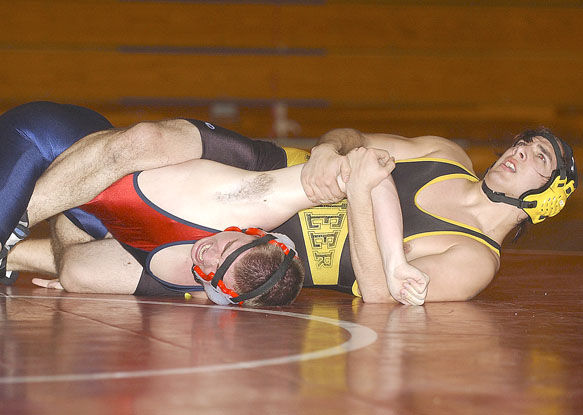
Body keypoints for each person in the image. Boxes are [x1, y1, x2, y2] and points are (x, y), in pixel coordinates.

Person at [2, 102, 577, 304]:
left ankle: (14, 251)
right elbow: (351, 139)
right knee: (138, 149)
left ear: (547, 200)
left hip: (263, 255)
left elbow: (376, 297)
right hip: (277, 174)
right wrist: (332, 150)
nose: (519, 152)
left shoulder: (473, 259)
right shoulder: (443, 152)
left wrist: (361, 191)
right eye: (523, 143)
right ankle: (25, 206)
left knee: (82, 273)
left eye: (538, 158)